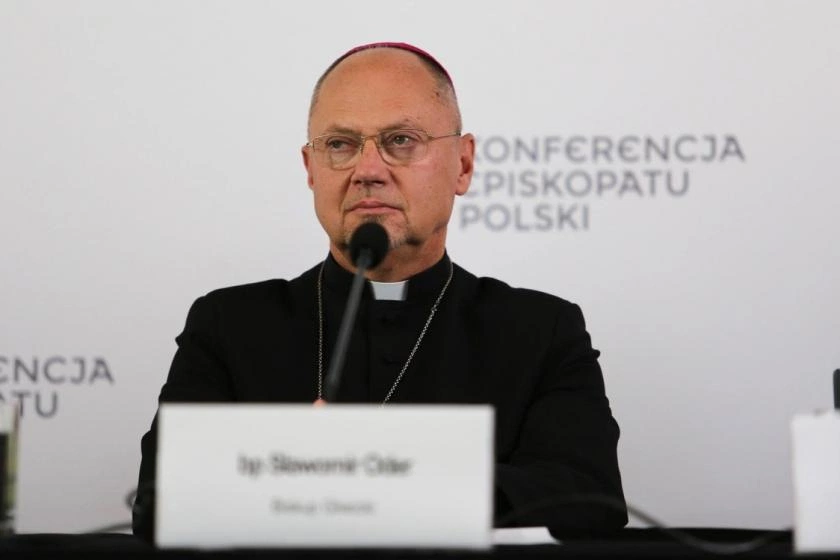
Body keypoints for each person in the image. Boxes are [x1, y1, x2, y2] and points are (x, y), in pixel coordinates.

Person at [132, 42, 627, 541]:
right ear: (310, 169)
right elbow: (158, 502)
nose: (367, 171)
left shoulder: (540, 331)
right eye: (340, 144)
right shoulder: (230, 325)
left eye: (401, 140)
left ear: (463, 165)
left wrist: (363, 476)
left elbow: (589, 500)